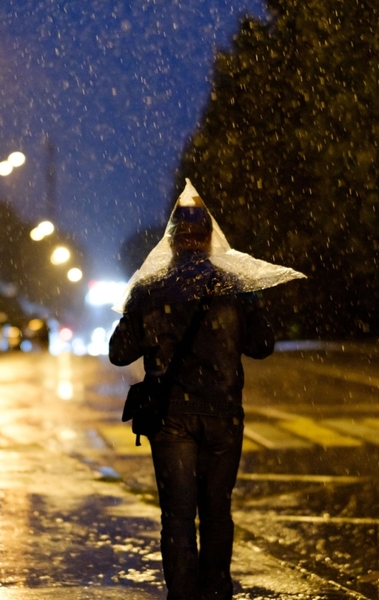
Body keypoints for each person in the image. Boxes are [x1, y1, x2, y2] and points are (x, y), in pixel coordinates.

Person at [109, 181, 297, 599]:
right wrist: (250, 307)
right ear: (210, 238)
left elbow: (119, 353)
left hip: (171, 417)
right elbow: (262, 346)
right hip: (223, 414)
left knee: (177, 517)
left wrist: (142, 315)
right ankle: (216, 592)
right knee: (216, 514)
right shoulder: (234, 286)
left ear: (172, 240)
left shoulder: (150, 288)